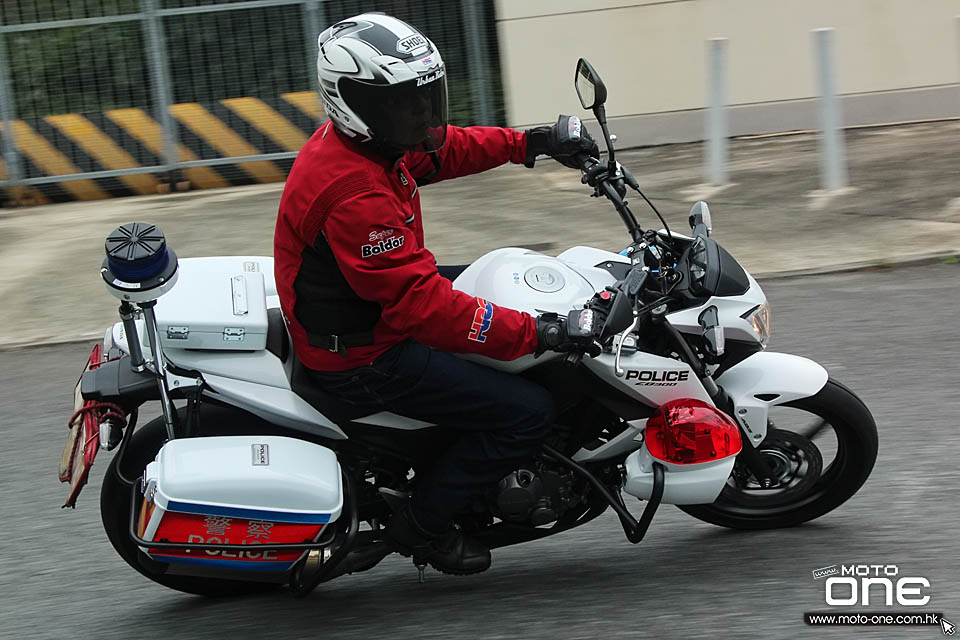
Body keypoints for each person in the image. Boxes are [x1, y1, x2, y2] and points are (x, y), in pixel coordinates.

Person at [273, 12, 600, 575]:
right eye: (406, 101)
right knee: (528, 411)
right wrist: (540, 333)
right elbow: (422, 307)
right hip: (363, 354)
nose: (423, 112)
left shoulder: (366, 141)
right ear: (355, 101)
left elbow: (444, 148)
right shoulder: (356, 193)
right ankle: (422, 528)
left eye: (425, 95)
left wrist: (532, 142)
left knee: (509, 280)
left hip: (367, 307)